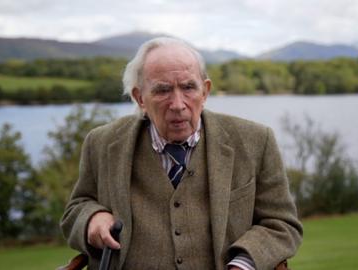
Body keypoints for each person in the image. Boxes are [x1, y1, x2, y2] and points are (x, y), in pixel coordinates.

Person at [60, 37, 302, 270]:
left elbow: (281, 224)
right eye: (163, 90)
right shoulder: (101, 143)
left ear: (205, 91)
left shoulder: (256, 141)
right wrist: (92, 217)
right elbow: (75, 210)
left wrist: (244, 263)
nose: (177, 104)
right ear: (139, 97)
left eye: (188, 88)